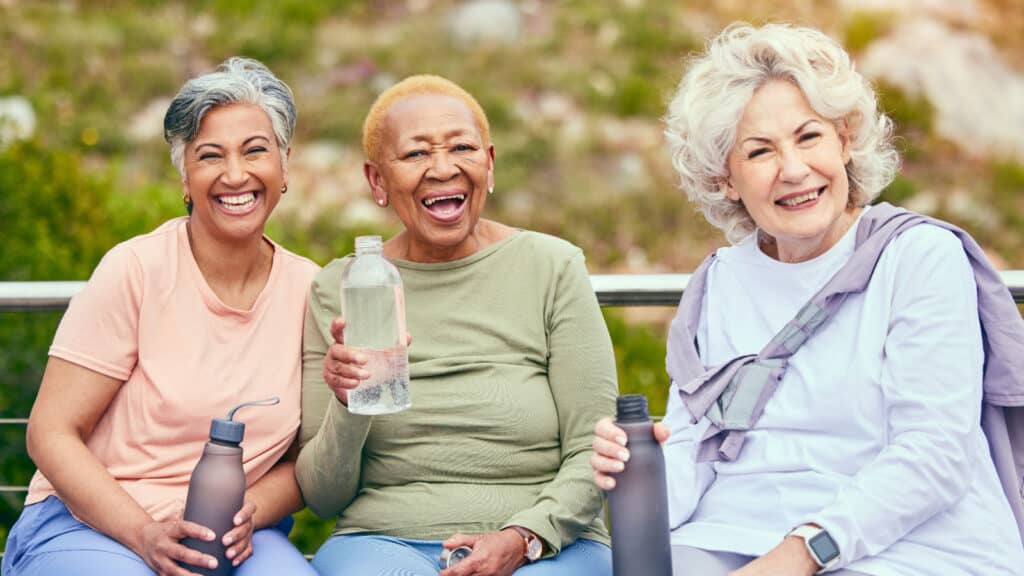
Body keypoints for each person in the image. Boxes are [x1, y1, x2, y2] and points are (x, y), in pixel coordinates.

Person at [590, 22, 1024, 576]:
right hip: (730, 538)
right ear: (725, 178)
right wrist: (633, 470)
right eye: (760, 151)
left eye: (809, 136)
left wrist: (798, 556)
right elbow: (693, 452)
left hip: (912, 547)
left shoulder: (918, 257)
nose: (794, 170)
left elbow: (932, 458)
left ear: (844, 140)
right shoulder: (719, 281)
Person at [2, 58, 320, 576]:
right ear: (185, 179)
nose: (235, 174)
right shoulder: (136, 270)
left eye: (255, 151)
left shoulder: (312, 288)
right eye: (209, 156)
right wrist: (144, 534)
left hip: (236, 537)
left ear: (284, 168)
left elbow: (305, 463)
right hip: (94, 523)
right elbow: (49, 432)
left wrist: (250, 513)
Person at [296, 74, 616, 576]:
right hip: (383, 544)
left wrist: (523, 538)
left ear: (488, 165)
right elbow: (322, 497)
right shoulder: (342, 286)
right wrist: (348, 402)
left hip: (549, 545)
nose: (442, 168)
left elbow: (595, 448)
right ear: (377, 181)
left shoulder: (552, 267)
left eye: (461, 148)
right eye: (416, 154)